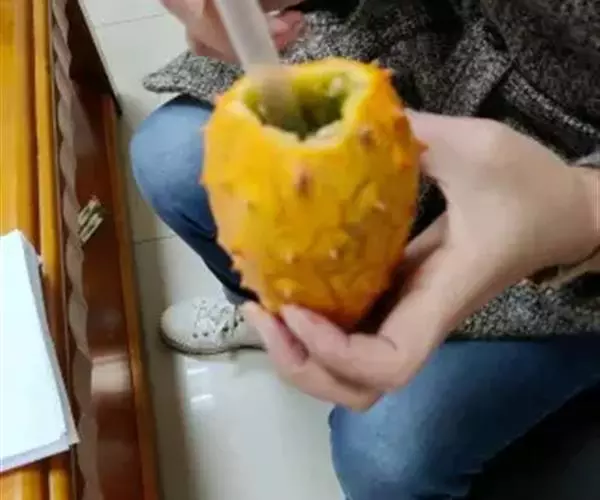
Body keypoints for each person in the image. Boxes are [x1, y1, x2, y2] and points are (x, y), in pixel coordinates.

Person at [131, 0, 600, 498]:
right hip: (429, 41)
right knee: (171, 156)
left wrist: (583, 207)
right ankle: (286, 316)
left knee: (384, 455)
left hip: (572, 192)